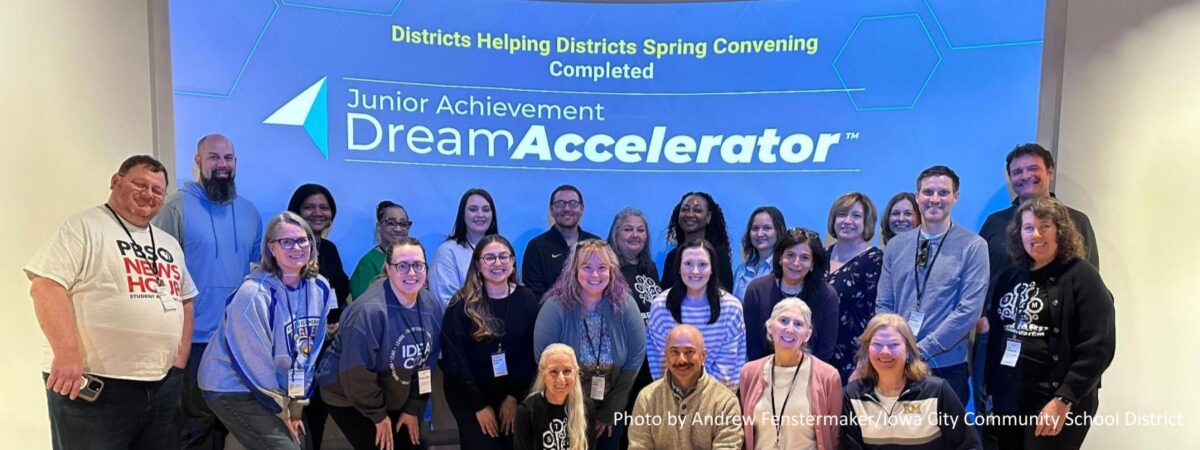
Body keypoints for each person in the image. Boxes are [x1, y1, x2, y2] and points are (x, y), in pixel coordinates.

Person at [26, 156, 197, 450]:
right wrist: (66, 354)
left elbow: (185, 299)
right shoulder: (83, 227)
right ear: (116, 181)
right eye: (140, 184)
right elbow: (46, 286)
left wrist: (179, 360)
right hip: (95, 384)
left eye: (157, 190)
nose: (149, 194)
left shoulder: (168, 243)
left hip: (160, 384)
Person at [974, 144, 1101, 436]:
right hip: (999, 342)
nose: (1025, 176)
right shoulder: (994, 223)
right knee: (995, 432)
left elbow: (1091, 298)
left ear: (1050, 173)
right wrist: (982, 320)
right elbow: (980, 277)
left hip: (1056, 350)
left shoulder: (1077, 221)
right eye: (1017, 171)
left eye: (1033, 169)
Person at [154, 133, 262, 449]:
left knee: (226, 424)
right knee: (194, 426)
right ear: (198, 162)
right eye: (213, 157)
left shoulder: (250, 212)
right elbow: (158, 271)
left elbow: (254, 273)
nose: (222, 164)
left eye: (228, 158)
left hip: (236, 340)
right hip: (194, 339)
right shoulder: (174, 207)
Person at [984, 197, 1114, 449]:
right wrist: (991, 390)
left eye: (1045, 226)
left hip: (1053, 401)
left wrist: (1063, 399)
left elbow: (1099, 345)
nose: (1036, 234)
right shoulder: (1009, 276)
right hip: (1009, 399)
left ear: (1060, 231)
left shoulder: (1082, 276)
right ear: (1018, 233)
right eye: (1028, 227)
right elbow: (997, 338)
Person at [199, 212, 335, 450]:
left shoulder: (320, 287)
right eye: (286, 241)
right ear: (272, 248)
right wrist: (280, 409)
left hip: (278, 389)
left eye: (302, 240)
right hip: (232, 385)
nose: (296, 247)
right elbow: (252, 362)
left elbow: (310, 352)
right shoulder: (252, 294)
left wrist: (297, 403)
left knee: (303, 444)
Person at [876, 165, 989, 405]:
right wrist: (896, 346)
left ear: (955, 197)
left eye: (943, 192)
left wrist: (918, 350)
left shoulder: (973, 246)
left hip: (946, 367)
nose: (934, 199)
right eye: (928, 192)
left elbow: (969, 311)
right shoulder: (897, 246)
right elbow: (884, 304)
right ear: (917, 196)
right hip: (898, 364)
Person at [317, 237, 443, 450]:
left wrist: (413, 407)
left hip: (391, 390)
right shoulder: (367, 312)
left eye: (418, 265)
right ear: (388, 268)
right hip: (348, 395)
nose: (411, 273)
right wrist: (378, 416)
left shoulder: (430, 306)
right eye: (402, 266)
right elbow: (356, 375)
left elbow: (427, 365)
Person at [534, 239, 647, 450]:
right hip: (563, 406)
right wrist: (571, 411)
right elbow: (544, 361)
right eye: (587, 267)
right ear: (574, 270)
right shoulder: (554, 307)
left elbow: (635, 359)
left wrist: (611, 411)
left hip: (611, 407)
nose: (595, 275)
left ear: (612, 271)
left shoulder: (625, 304)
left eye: (602, 268)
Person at [440, 235, 540, 449]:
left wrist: (513, 398)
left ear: (513, 262)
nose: (498, 263)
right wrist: (479, 406)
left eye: (504, 256)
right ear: (477, 264)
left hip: (515, 391)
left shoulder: (527, 299)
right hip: (470, 394)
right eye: (490, 258)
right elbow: (455, 363)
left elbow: (530, 354)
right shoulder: (461, 306)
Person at [841, 314, 980, 449]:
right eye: (877, 344)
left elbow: (969, 445)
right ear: (866, 349)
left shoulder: (937, 391)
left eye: (893, 344)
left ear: (909, 350)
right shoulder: (854, 395)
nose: (885, 352)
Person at [287, 183, 351, 450]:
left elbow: (339, 291)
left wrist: (339, 324)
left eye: (324, 207)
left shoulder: (330, 249)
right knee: (295, 421)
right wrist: (320, 327)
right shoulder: (288, 248)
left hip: (326, 351)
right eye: (309, 207)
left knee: (317, 420)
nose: (317, 212)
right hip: (297, 350)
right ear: (296, 210)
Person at [738, 299, 842, 450]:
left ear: (807, 335)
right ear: (769, 327)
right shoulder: (749, 373)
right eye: (783, 321)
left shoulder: (828, 376)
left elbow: (834, 437)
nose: (790, 329)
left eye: (798, 324)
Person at [646, 239, 745, 389]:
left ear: (712, 269)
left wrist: (702, 402)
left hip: (717, 400)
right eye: (688, 264)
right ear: (679, 268)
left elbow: (729, 370)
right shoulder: (661, 306)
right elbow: (660, 366)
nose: (695, 271)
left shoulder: (731, 308)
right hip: (670, 399)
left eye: (703, 264)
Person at [627, 325, 743, 450]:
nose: (681, 359)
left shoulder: (726, 402)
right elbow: (638, 446)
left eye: (689, 352)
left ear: (703, 355)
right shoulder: (647, 398)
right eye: (674, 352)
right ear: (666, 355)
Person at [605, 207, 661, 450]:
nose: (635, 235)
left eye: (640, 230)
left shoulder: (649, 267)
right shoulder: (608, 270)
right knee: (621, 431)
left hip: (650, 364)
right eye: (628, 229)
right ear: (616, 234)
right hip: (623, 365)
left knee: (645, 432)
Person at [742, 228, 838, 362]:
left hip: (810, 376)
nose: (796, 263)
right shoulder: (756, 290)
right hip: (764, 373)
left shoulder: (827, 296)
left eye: (804, 258)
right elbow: (752, 346)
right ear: (780, 257)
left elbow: (825, 351)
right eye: (790, 255)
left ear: (812, 264)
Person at [824, 193, 884, 382]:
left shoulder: (875, 260)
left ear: (867, 222)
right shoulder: (820, 257)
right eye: (842, 214)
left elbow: (877, 317)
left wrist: (863, 363)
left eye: (856, 216)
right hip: (819, 357)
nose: (847, 221)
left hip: (856, 362)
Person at [523, 185, 601, 301]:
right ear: (551, 210)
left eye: (573, 203)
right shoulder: (536, 247)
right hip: (551, 316)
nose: (567, 209)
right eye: (560, 203)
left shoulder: (597, 245)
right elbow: (534, 296)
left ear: (581, 209)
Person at [515, 344, 598, 450]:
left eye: (567, 371)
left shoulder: (586, 407)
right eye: (554, 372)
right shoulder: (526, 411)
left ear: (576, 373)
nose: (561, 379)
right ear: (542, 375)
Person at [431, 188, 498, 308]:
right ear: (462, 215)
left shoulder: (501, 250)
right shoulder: (447, 251)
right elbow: (445, 302)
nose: (480, 215)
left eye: (486, 210)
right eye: (473, 209)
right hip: (464, 324)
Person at [661, 192, 734, 292]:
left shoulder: (718, 255)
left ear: (708, 217)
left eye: (697, 210)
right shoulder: (672, 256)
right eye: (685, 210)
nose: (690, 214)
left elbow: (724, 296)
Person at [350, 201, 412, 299]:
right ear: (379, 227)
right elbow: (363, 305)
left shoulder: (415, 259)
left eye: (403, 224)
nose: (398, 229)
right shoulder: (368, 263)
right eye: (391, 223)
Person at [733, 206, 786, 300]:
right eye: (755, 228)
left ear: (779, 231)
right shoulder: (741, 270)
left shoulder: (784, 269)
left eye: (767, 228)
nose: (759, 234)